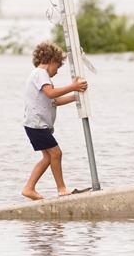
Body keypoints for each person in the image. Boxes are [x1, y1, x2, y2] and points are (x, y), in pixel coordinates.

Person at [21, 41, 87, 200]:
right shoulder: (40, 74)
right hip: (37, 125)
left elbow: (54, 101)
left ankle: (29, 188)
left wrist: (76, 97)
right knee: (56, 153)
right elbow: (51, 94)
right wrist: (73, 86)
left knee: (49, 157)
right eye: (57, 67)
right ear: (51, 61)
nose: (56, 72)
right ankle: (62, 189)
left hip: (35, 125)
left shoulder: (40, 77)